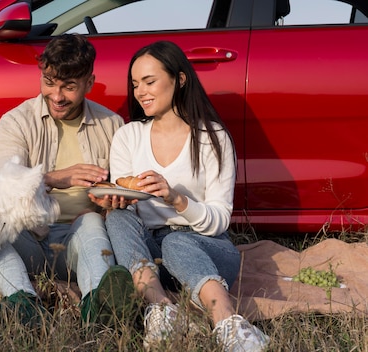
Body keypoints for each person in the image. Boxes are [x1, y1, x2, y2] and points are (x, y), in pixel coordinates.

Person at [90, 41, 270, 351]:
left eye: (149, 81)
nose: (140, 92)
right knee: (117, 219)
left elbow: (220, 220)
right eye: (135, 84)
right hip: (153, 259)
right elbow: (127, 214)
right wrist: (118, 202)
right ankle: (162, 311)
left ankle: (230, 325)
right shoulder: (128, 136)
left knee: (176, 241)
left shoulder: (212, 137)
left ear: (180, 79)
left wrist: (176, 199)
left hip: (208, 250)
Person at [0, 33, 133, 326]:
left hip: (79, 241)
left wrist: (109, 204)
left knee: (92, 222)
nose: (57, 95)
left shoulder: (112, 125)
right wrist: (56, 178)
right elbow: (6, 189)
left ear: (89, 83)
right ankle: (23, 304)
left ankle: (98, 308)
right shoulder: (16, 122)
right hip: (27, 239)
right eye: (49, 82)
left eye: (69, 87)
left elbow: (124, 192)